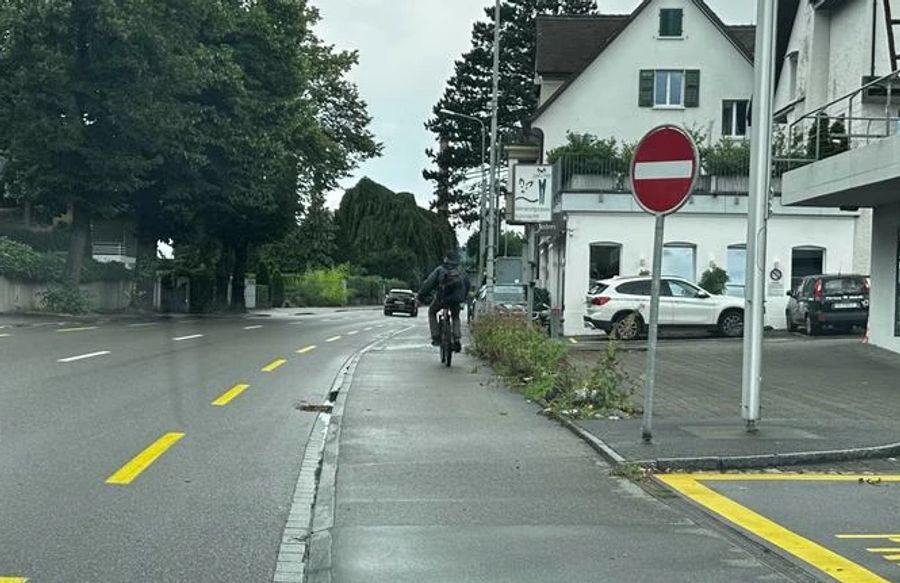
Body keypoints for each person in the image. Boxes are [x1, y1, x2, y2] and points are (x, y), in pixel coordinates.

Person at [417, 251, 470, 351]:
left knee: (432, 312)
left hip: (442, 299)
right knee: (455, 316)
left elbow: (428, 284)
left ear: (446, 259)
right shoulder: (461, 271)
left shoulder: (440, 270)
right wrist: (464, 297)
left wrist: (420, 296)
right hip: (456, 300)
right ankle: (457, 338)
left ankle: (436, 336)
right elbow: (467, 284)